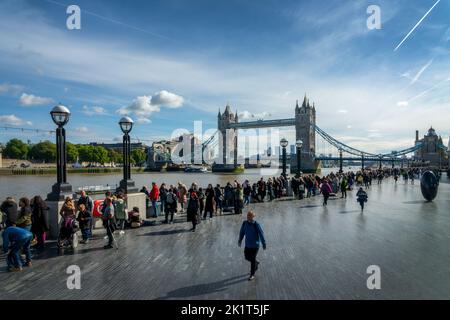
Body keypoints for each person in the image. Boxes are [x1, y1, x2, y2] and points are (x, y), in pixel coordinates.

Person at [238, 210, 266, 281]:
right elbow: (242, 232)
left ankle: (252, 274)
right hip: (247, 245)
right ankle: (256, 262)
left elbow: (261, 234)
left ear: (253, 217)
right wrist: (240, 240)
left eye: (250, 216)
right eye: (248, 215)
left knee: (252, 259)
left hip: (255, 246)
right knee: (246, 257)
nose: (249, 217)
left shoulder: (256, 224)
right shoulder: (244, 223)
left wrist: (263, 243)